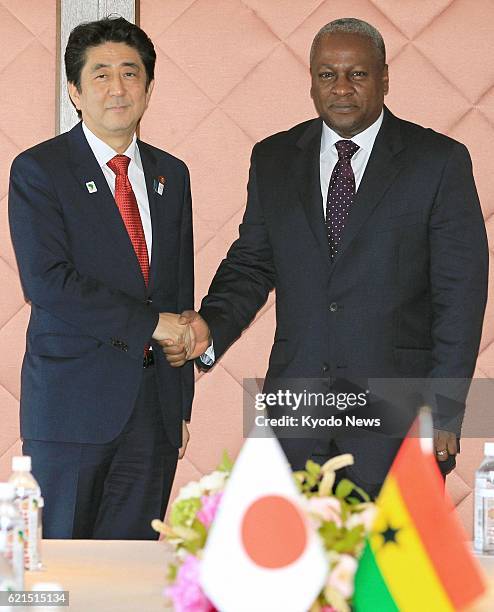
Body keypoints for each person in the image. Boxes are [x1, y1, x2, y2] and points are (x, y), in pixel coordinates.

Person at [163, 18, 488, 497]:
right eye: (326, 75)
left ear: (384, 79)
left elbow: (461, 294)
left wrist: (447, 409)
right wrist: (210, 325)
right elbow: (252, 263)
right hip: (297, 420)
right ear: (311, 81)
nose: (341, 88)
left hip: (397, 423)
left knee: (388, 573)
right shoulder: (274, 158)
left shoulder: (438, 161)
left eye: (357, 74)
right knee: (290, 570)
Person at [8, 16, 194, 539]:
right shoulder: (39, 169)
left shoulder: (170, 175)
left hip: (152, 414)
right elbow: (47, 282)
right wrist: (151, 325)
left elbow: (177, 289)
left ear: (149, 87)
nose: (118, 88)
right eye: (101, 74)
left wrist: (178, 404)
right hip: (71, 410)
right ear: (75, 90)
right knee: (61, 574)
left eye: (131, 74)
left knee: (132, 576)